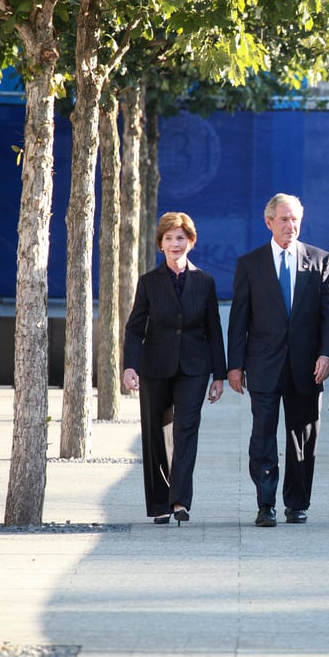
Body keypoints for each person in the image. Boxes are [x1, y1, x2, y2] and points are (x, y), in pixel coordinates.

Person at [227, 193, 329, 527]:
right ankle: (266, 504)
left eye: (295, 219)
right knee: (262, 434)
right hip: (263, 364)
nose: (290, 225)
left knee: (303, 436)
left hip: (307, 367)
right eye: (284, 219)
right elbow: (239, 318)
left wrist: (327, 354)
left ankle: (297, 503)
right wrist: (235, 365)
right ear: (269, 222)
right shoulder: (250, 264)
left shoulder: (319, 260)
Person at [123, 211, 227, 526]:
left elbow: (214, 329)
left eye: (180, 238)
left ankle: (180, 500)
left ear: (191, 242)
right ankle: (159, 504)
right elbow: (134, 329)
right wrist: (130, 366)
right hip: (154, 367)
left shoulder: (205, 282)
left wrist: (219, 375)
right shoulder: (148, 283)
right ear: (161, 244)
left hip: (194, 367)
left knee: (186, 430)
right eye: (169, 238)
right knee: (157, 434)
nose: (175, 244)